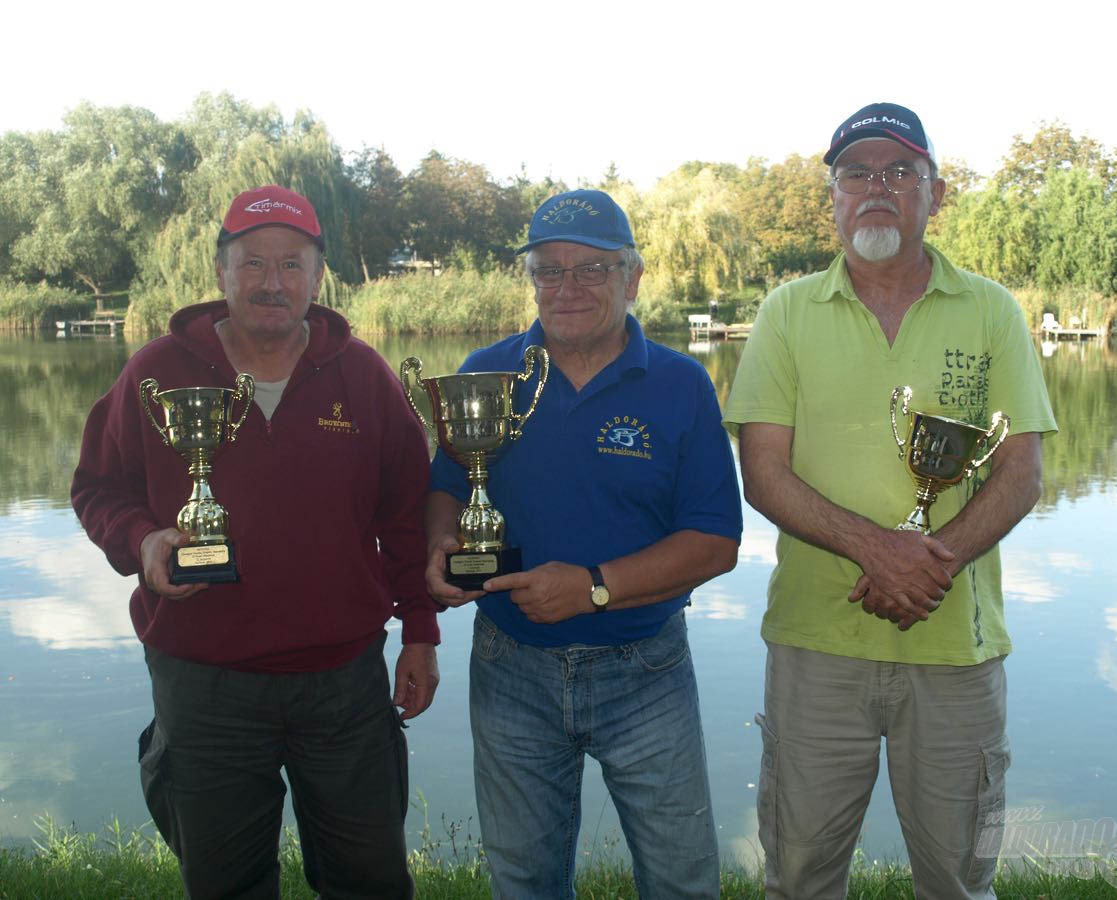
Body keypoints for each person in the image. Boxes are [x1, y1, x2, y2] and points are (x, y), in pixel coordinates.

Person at [723, 103, 1058, 899]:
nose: (877, 188)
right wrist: (880, 550)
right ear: (833, 196)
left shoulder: (992, 310)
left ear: (934, 194)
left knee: (957, 882)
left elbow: (1022, 472)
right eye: (856, 174)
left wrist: (927, 565)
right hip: (816, 643)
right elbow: (763, 473)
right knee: (799, 876)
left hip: (955, 647)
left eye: (900, 172)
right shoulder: (786, 311)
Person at [71, 185, 440, 899]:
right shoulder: (156, 371)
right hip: (203, 681)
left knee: (370, 881)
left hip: (343, 682)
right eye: (253, 263)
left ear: (318, 276)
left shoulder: (362, 375)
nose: (273, 282)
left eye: (292, 264)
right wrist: (143, 543)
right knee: (225, 885)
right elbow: (96, 487)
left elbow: (404, 517)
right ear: (220, 272)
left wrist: (419, 632)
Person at [425, 189, 742, 898]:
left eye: (591, 270)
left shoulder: (682, 384)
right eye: (548, 270)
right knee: (524, 883)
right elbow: (447, 483)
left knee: (682, 881)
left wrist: (594, 585)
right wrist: (443, 539)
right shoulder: (486, 372)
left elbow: (716, 540)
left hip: (646, 670)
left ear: (631, 278)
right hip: (510, 668)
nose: (566, 289)